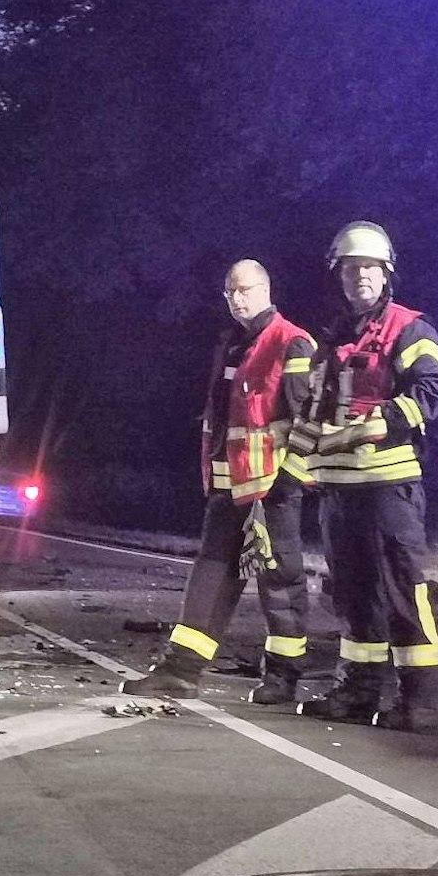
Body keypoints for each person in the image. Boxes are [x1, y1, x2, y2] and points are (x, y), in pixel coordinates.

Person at [123, 260, 317, 702]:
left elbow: (310, 420)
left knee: (279, 583)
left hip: (271, 489)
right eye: (230, 293)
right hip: (229, 489)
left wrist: (289, 478)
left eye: (244, 290)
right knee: (209, 578)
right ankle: (181, 670)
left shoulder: (293, 343)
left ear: (266, 289)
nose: (237, 299)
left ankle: (283, 678)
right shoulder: (233, 345)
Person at [291, 221, 438, 731]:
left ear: (386, 274)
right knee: (354, 594)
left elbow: (433, 389)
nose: (360, 275)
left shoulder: (409, 328)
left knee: (403, 590)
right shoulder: (331, 336)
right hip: (338, 489)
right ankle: (357, 692)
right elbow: (313, 411)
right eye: (350, 267)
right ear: (338, 274)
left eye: (369, 267)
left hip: (387, 486)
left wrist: (381, 422)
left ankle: (418, 700)